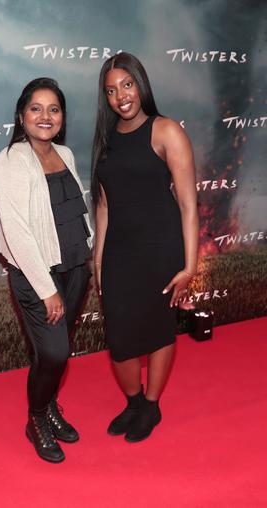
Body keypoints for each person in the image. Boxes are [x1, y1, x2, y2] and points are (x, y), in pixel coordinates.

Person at [92, 52, 199, 443]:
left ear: (140, 84)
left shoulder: (166, 130)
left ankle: (150, 405)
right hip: (119, 252)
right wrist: (99, 261)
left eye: (127, 84)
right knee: (120, 341)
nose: (120, 95)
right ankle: (134, 401)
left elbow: (188, 206)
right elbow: (103, 207)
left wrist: (189, 267)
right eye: (111, 90)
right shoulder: (104, 142)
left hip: (160, 248)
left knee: (158, 330)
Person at [0, 78, 93, 463]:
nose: (45, 116)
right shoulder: (10, 161)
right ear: (22, 115)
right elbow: (17, 231)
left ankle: (49, 408)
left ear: (62, 117)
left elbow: (75, 208)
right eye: (36, 108)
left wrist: (90, 252)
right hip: (39, 277)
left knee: (57, 354)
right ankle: (36, 419)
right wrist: (46, 288)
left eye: (54, 109)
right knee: (54, 354)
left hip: (75, 268)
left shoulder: (65, 153)